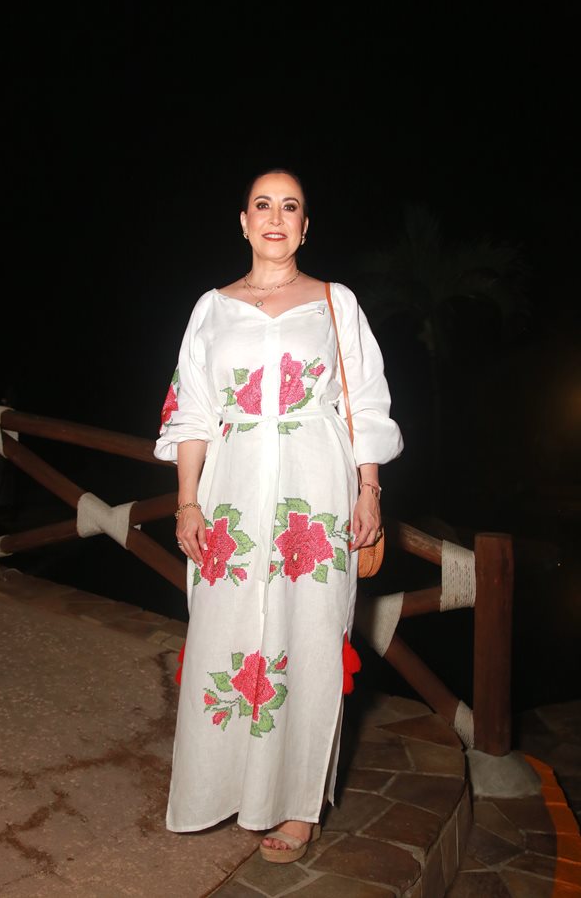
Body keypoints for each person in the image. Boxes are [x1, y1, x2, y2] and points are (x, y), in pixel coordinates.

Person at [154, 168, 403, 863]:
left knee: (311, 637)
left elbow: (366, 403)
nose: (275, 216)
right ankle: (220, 786)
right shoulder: (211, 308)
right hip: (230, 493)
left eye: (289, 206)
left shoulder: (334, 303)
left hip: (314, 493)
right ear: (243, 221)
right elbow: (192, 411)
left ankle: (298, 807)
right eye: (262, 204)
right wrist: (187, 501)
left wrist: (369, 490)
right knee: (224, 632)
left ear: (304, 226)